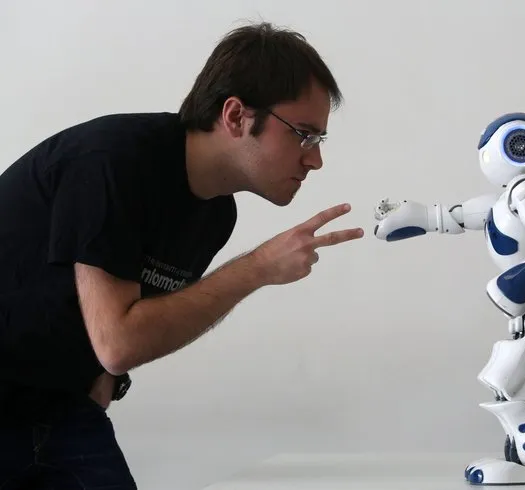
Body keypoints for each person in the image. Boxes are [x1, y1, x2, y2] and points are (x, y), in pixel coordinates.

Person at [0, 21, 363, 489]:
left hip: (59, 407)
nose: (314, 160)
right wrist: (256, 269)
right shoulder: (112, 161)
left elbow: (130, 334)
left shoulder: (215, 216)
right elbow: (119, 342)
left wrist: (99, 380)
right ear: (235, 116)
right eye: (303, 135)